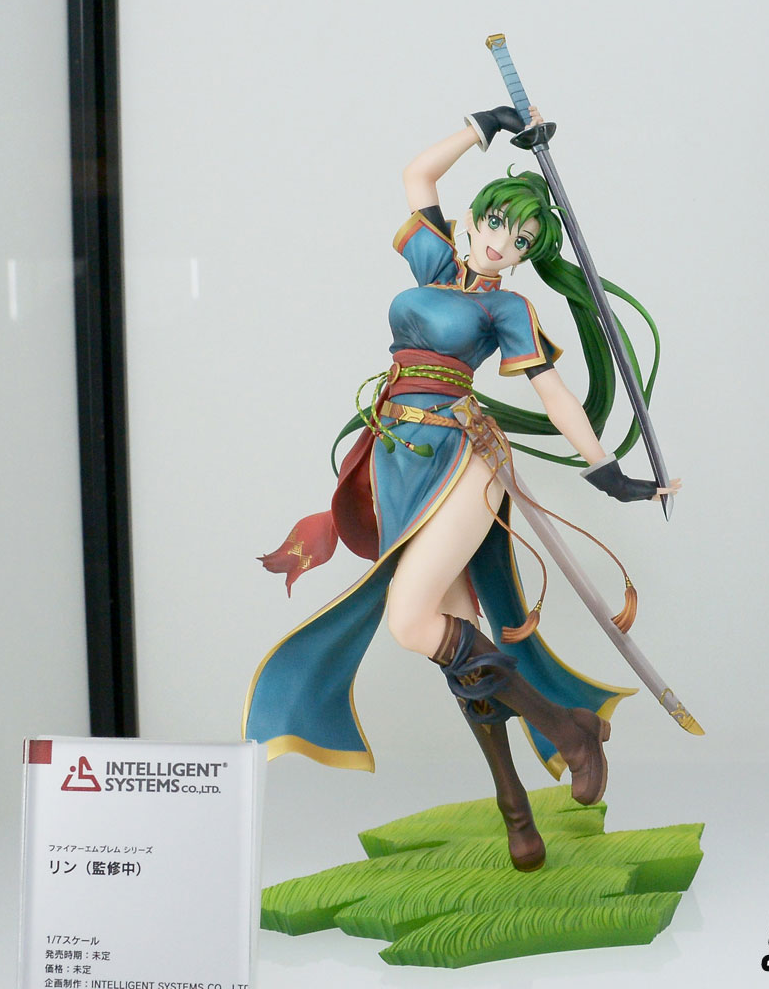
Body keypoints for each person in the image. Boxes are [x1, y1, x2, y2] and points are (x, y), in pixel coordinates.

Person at [243, 105, 679, 872]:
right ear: (475, 218)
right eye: (497, 224)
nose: (502, 243)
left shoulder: (506, 308)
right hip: (396, 455)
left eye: (522, 241)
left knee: (411, 622)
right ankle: (516, 806)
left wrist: (603, 466)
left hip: (460, 457)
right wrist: (485, 125)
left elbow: (552, 393)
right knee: (454, 647)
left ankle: (570, 731)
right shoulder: (433, 263)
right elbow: (417, 173)